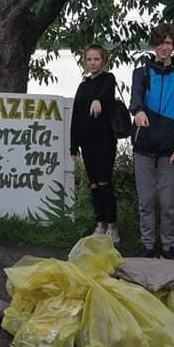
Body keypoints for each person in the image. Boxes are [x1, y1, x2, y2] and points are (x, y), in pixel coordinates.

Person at [129, 23, 174, 257]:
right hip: (143, 146)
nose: (165, 47)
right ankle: (147, 245)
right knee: (145, 202)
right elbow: (135, 97)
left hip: (170, 149)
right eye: (161, 43)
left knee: (167, 204)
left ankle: (168, 246)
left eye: (169, 43)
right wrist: (138, 111)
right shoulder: (142, 72)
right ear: (154, 45)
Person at [71, 44, 119, 242]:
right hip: (86, 142)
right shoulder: (82, 86)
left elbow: (107, 92)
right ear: (85, 62)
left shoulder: (108, 79)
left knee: (104, 182)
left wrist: (98, 100)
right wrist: (73, 147)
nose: (92, 63)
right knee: (93, 184)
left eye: (96, 59)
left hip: (105, 141)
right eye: (89, 59)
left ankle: (113, 225)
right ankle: (100, 223)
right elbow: (75, 118)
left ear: (103, 60)